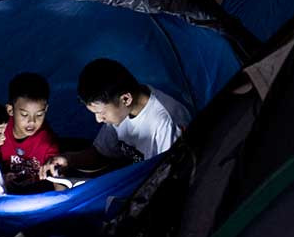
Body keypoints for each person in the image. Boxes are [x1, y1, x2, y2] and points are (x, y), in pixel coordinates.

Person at [41, 59, 191, 178]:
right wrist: (68, 160)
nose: (98, 120)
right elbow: (101, 153)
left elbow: (166, 181)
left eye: (101, 113)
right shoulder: (121, 110)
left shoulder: (166, 123)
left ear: (126, 99)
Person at [0, 72, 59, 193]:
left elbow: (57, 178)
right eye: (24, 115)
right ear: (10, 110)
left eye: (39, 114)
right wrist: (1, 178)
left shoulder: (48, 142)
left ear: (46, 110)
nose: (32, 121)